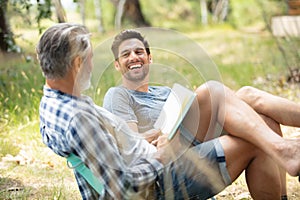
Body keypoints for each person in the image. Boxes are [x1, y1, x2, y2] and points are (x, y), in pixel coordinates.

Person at [37, 23, 300, 200]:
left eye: (139, 52)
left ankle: (285, 154)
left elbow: (118, 147)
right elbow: (123, 188)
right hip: (158, 182)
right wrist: (162, 155)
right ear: (78, 63)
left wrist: (158, 136)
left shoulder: (58, 102)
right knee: (245, 124)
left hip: (157, 154)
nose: (93, 66)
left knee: (246, 102)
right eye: (91, 59)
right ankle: (285, 151)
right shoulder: (79, 118)